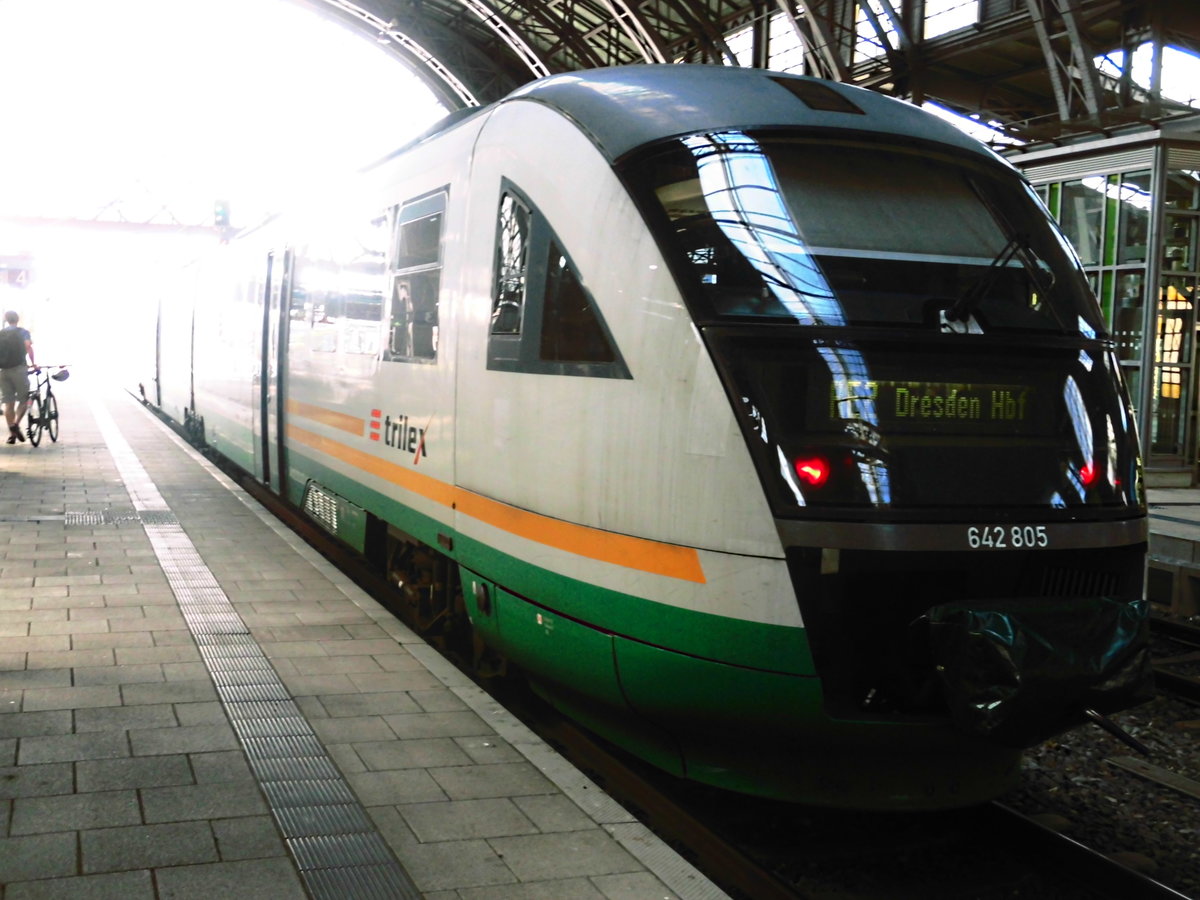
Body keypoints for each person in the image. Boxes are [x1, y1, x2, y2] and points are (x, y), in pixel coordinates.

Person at [1, 310, 36, 444]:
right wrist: (33, 364)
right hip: (19, 369)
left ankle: (12, 434)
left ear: (6, 319)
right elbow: (28, 346)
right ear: (17, 319)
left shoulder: (1, 333)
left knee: (8, 403)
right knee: (23, 399)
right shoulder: (23, 332)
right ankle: (15, 424)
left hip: (3, 370)